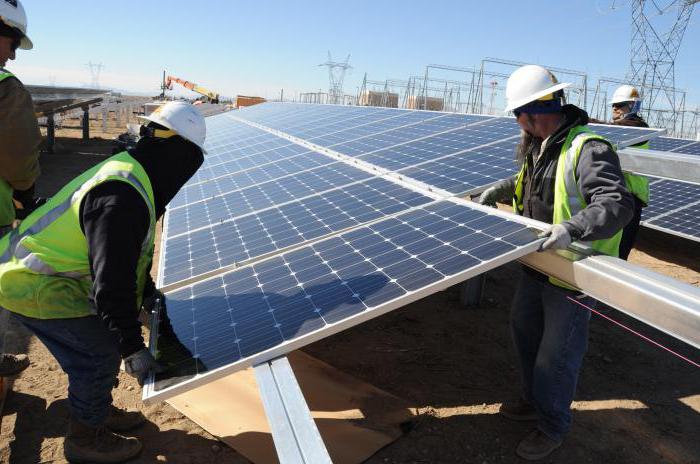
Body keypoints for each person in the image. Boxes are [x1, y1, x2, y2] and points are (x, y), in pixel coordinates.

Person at [0, 101, 206, 463]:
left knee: (104, 336)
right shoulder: (122, 195)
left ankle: (96, 407)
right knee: (99, 354)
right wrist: (131, 346)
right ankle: (85, 439)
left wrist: (149, 301)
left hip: (43, 276)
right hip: (30, 283)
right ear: (180, 155)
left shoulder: (137, 175)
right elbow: (111, 283)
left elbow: (130, 260)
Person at [479, 65, 633, 460]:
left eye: (519, 116)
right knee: (524, 333)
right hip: (538, 265)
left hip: (573, 275)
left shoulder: (588, 147)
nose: (519, 125)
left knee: (556, 357)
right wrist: (504, 187)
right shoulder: (543, 145)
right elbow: (537, 187)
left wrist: (572, 228)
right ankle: (533, 401)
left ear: (533, 111)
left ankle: (551, 425)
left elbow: (616, 205)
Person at [0, 0, 41, 377]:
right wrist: (25, 194)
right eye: (12, 43)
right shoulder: (6, 89)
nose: (12, 56)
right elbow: (18, 153)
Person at [590, 84, 650, 260]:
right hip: (619, 195)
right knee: (610, 244)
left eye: (621, 105)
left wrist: (584, 120)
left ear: (633, 106)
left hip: (631, 199)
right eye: (613, 105)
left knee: (621, 249)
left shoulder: (639, 128)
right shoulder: (620, 129)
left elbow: (608, 130)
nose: (615, 109)